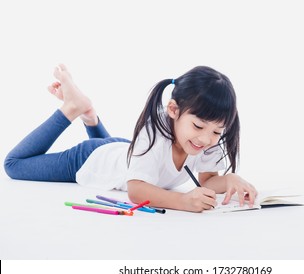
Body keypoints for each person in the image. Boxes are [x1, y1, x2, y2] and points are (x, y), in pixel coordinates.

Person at [4, 64, 257, 212]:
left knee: (118, 154)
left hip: (122, 151)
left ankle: (90, 117)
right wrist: (182, 201)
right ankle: (72, 108)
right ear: (173, 110)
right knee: (14, 165)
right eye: (199, 126)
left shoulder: (207, 138)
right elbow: (136, 190)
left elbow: (208, 181)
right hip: (90, 159)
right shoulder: (154, 132)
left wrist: (230, 180)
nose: (206, 139)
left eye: (216, 131)